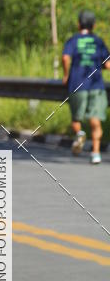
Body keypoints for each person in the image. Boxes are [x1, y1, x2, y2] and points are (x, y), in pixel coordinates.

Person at [62, 9, 110, 165]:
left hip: (77, 84)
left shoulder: (73, 40)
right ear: (94, 25)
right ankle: (95, 153)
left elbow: (65, 58)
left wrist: (66, 75)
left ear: (78, 24)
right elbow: (108, 64)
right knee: (95, 120)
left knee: (76, 118)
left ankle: (80, 133)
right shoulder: (98, 42)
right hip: (96, 85)